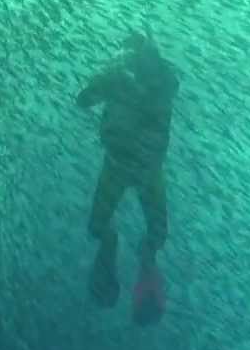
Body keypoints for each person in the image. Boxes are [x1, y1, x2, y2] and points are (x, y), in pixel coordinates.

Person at [76, 31, 179, 325]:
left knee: (100, 227)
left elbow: (83, 99)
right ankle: (137, 257)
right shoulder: (164, 81)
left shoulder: (121, 78)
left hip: (120, 165)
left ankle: (112, 246)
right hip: (146, 169)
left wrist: (110, 74)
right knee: (156, 234)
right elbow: (85, 99)